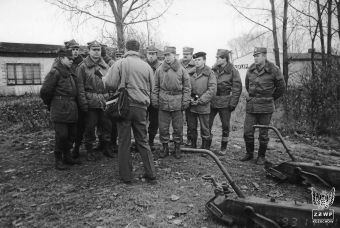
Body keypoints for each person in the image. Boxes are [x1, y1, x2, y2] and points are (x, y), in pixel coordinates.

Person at [104, 39, 156, 184]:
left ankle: (126, 176)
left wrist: (104, 79)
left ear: (126, 48)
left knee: (124, 141)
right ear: (138, 50)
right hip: (141, 108)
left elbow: (110, 84)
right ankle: (151, 173)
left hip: (124, 107)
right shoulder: (147, 67)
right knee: (142, 140)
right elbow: (153, 87)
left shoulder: (120, 63)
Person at [241, 47, 286, 165]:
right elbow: (247, 84)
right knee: (247, 132)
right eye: (254, 56)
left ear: (264, 56)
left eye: (258, 55)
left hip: (266, 107)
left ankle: (261, 156)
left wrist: (271, 98)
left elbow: (281, 87)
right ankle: (249, 153)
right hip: (252, 106)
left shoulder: (273, 69)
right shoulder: (250, 69)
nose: (255, 58)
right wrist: (249, 96)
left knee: (263, 134)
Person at [40, 49, 80, 170]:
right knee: (62, 135)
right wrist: (52, 104)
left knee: (72, 135)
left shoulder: (70, 71)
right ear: (62, 58)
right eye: (69, 59)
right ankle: (58, 159)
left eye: (72, 59)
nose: (71, 61)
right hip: (59, 108)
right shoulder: (55, 72)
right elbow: (45, 92)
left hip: (71, 107)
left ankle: (67, 156)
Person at [152, 46, 191, 159]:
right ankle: (165, 148)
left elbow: (187, 87)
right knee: (163, 127)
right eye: (165, 55)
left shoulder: (182, 69)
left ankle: (177, 148)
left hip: (177, 102)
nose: (167, 57)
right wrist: (154, 99)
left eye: (169, 55)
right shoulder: (159, 69)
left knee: (178, 127)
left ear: (174, 55)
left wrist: (185, 101)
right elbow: (155, 87)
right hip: (163, 102)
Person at [76, 40, 112, 161]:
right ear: (89, 51)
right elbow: (80, 87)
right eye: (94, 50)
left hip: (104, 101)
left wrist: (109, 98)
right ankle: (89, 150)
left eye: (99, 50)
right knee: (90, 127)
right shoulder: (82, 67)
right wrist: (83, 103)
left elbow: (109, 83)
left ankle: (105, 147)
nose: (97, 52)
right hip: (90, 101)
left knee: (106, 125)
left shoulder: (105, 66)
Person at [210, 49, 242, 155]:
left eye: (219, 57)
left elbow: (237, 88)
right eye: (217, 57)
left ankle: (223, 148)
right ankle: (206, 146)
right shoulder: (213, 69)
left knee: (225, 126)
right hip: (213, 101)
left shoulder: (232, 70)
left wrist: (233, 103)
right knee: (207, 124)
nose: (217, 59)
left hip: (225, 102)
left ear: (225, 59)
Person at [187, 52, 217, 150]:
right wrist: (191, 99)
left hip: (204, 105)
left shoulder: (210, 73)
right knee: (192, 126)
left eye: (199, 59)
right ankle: (193, 145)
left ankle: (205, 148)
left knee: (205, 127)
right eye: (195, 60)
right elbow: (187, 87)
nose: (197, 61)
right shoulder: (190, 73)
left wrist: (200, 100)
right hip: (192, 104)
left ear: (204, 60)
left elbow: (212, 89)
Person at [146, 46, 162, 151]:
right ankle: (142, 141)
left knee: (154, 121)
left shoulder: (161, 66)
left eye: (153, 53)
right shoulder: (142, 65)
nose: (151, 56)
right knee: (141, 120)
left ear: (156, 55)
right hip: (143, 96)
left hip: (155, 97)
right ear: (146, 55)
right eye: (149, 53)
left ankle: (151, 141)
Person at [180, 47, 196, 147]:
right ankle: (179, 138)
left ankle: (190, 139)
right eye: (184, 53)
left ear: (191, 55)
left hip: (191, 95)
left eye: (188, 53)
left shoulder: (196, 65)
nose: (185, 55)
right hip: (179, 95)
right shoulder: (178, 64)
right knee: (178, 119)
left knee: (190, 120)